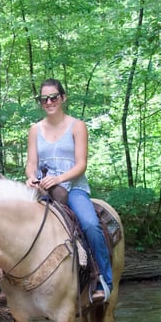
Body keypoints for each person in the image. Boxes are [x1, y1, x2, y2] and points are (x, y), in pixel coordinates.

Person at [25, 78, 113, 303]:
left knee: (91, 225)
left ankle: (102, 279)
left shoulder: (77, 126)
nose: (49, 102)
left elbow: (81, 164)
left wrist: (60, 178)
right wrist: (31, 178)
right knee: (12, 220)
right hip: (43, 189)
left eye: (53, 97)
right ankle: (6, 280)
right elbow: (31, 163)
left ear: (63, 98)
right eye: (44, 99)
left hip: (74, 188)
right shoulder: (35, 129)